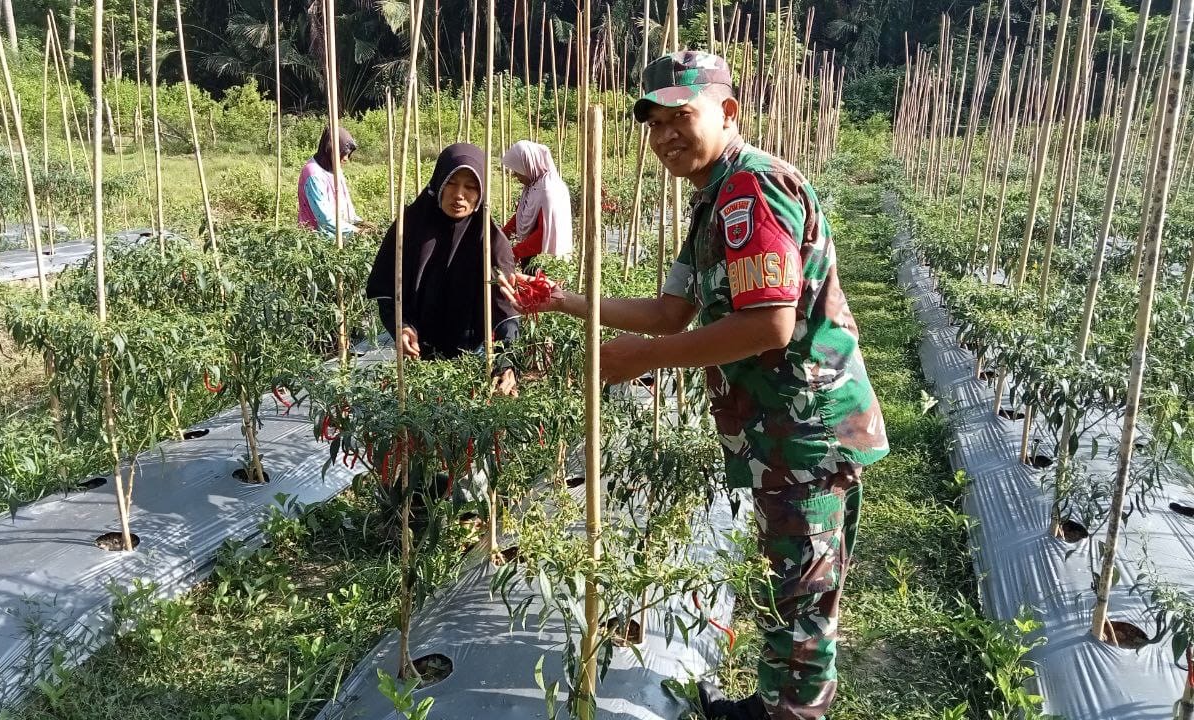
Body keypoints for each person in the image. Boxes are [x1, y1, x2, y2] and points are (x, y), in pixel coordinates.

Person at [502, 51, 888, 720]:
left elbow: (769, 324)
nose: (664, 137)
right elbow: (669, 311)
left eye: (680, 117)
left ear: (726, 112)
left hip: (805, 433)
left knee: (803, 602)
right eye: (653, 124)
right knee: (786, 584)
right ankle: (771, 706)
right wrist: (565, 301)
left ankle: (792, 715)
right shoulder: (715, 199)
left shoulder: (752, 190)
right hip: (781, 433)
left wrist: (641, 359)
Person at [366, 142, 520, 397]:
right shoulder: (409, 227)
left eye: (471, 186)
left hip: (474, 356)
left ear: (481, 192)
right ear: (438, 181)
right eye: (451, 182)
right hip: (419, 356)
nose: (459, 194)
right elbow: (387, 291)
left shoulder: (490, 240)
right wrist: (402, 327)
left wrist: (506, 359)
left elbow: (506, 308)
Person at [500, 140, 574, 268]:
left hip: (546, 261)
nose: (515, 176)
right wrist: (500, 236)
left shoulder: (550, 190)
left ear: (528, 165)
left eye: (518, 171)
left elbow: (544, 234)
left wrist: (515, 253)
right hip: (530, 256)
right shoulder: (533, 186)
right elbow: (520, 216)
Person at [298, 126, 363, 236]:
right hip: (317, 238)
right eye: (343, 153)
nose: (346, 158)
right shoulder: (313, 174)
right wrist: (357, 231)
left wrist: (359, 223)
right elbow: (324, 218)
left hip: (340, 233)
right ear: (331, 150)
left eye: (348, 154)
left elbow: (345, 205)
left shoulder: (335, 168)